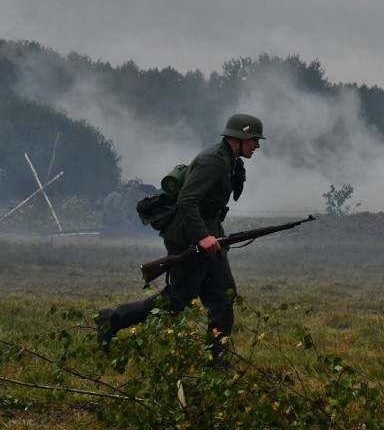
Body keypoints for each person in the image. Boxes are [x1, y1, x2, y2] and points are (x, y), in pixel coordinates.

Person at [96, 114, 265, 365]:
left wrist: (211, 236)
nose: (257, 146)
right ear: (238, 137)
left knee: (223, 296)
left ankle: (216, 361)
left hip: (209, 236)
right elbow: (187, 200)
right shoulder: (214, 161)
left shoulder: (229, 160)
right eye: (253, 140)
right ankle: (113, 318)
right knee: (176, 301)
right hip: (188, 237)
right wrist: (202, 237)